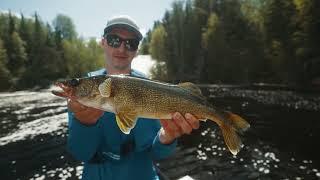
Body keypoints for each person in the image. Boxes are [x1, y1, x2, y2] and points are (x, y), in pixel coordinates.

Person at [67, 15, 200, 180]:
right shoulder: (84, 89)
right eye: (114, 40)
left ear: (136, 50)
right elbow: (81, 153)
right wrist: (84, 124)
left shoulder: (149, 86)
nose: (122, 48)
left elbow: (157, 152)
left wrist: (168, 137)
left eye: (131, 43)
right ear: (103, 42)